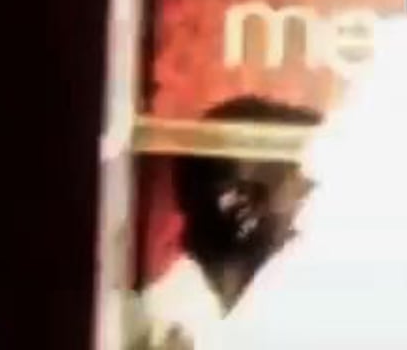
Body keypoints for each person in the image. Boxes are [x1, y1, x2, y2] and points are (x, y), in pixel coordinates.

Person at [128, 98, 320, 350]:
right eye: (298, 182)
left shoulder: (232, 317)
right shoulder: (170, 325)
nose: (308, 196)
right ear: (240, 204)